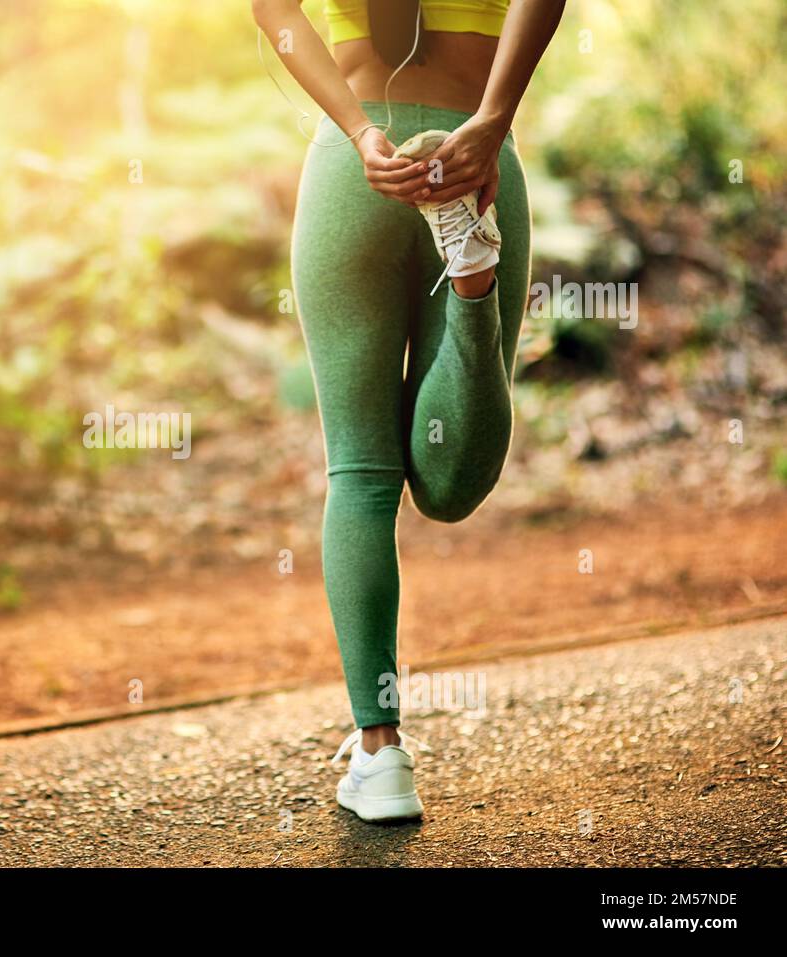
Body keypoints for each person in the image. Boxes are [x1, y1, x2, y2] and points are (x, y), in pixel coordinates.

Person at [251, 0, 564, 821]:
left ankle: (381, 752)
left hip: (357, 172)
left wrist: (360, 134)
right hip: (473, 158)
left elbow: (272, 11)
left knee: (360, 472)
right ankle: (470, 280)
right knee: (451, 486)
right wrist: (493, 121)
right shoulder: (486, 136)